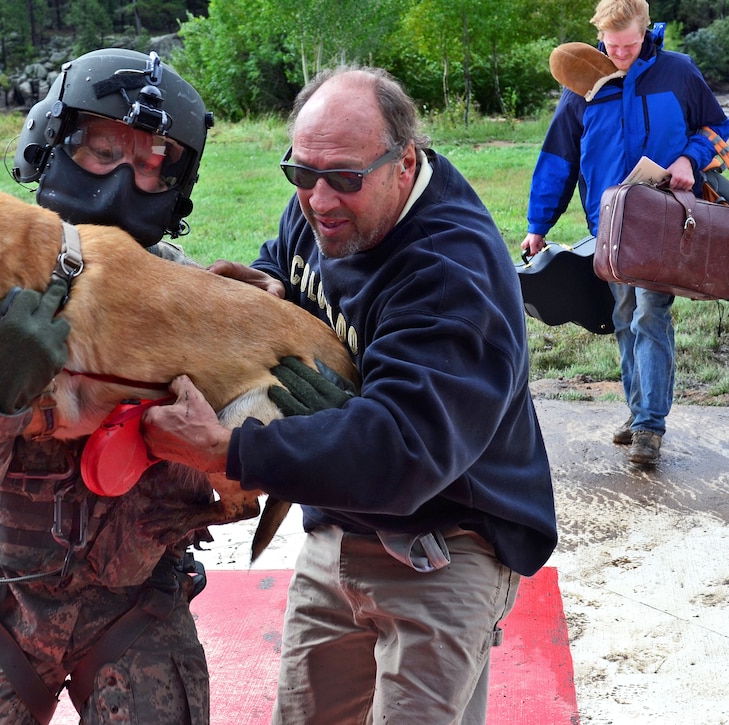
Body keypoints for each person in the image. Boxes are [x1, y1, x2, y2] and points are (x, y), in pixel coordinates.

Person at [141, 66, 558, 725]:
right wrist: (269, 287)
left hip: (450, 535)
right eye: (302, 173)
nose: (319, 199)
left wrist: (232, 450)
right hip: (344, 521)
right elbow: (288, 258)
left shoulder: (450, 272)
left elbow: (401, 449)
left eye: (343, 178)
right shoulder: (321, 200)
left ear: (404, 162)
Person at [0, 48, 217, 724]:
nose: (127, 179)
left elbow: (216, 468)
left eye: (152, 161)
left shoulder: (186, 297)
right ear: (52, 143)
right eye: (104, 150)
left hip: (136, 600)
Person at [521, 0, 729, 465]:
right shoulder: (583, 84)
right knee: (621, 315)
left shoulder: (678, 72)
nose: (620, 55)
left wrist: (687, 159)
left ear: (647, 33)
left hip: (666, 220)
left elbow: (717, 127)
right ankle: (639, 413)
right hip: (609, 226)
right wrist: (539, 226)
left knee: (649, 314)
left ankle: (650, 428)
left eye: (630, 46)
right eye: (612, 46)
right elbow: (559, 157)